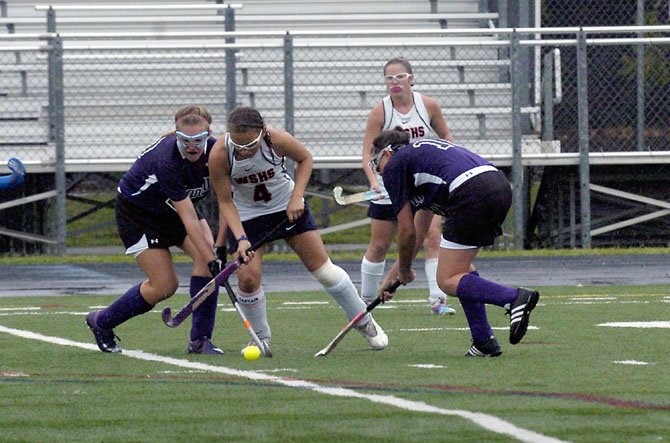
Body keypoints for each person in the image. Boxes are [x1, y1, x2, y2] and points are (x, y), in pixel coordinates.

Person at [209, 106, 387, 352]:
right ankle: (260, 337)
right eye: (239, 147)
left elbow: (305, 159)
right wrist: (240, 238)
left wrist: (297, 197)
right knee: (247, 278)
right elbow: (225, 201)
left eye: (250, 145)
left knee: (325, 272)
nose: (245, 152)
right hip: (248, 217)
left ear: (261, 133)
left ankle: (364, 320)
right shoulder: (219, 154)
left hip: (287, 207)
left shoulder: (276, 139)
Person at [85, 105, 250, 355]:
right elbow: (187, 217)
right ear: (176, 136)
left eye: (198, 140)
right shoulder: (167, 160)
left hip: (173, 209)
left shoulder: (218, 154)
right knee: (164, 286)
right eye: (185, 140)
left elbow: (227, 202)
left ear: (209, 135)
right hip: (139, 213)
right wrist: (210, 258)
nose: (192, 146)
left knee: (208, 262)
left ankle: (200, 340)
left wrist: (220, 246)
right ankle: (102, 321)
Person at [373, 127, 540, 357]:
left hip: (469, 191)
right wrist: (393, 279)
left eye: (376, 164)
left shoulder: (395, 165)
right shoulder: (421, 162)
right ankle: (483, 341)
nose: (379, 173)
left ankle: (513, 298)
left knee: (447, 280)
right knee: (461, 271)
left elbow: (406, 231)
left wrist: (404, 271)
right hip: (496, 185)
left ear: (387, 153)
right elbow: (417, 235)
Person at [360, 57, 457, 316]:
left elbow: (446, 135)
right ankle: (365, 302)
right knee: (380, 244)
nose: (395, 82)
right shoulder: (380, 111)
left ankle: (438, 299)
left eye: (400, 77)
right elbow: (369, 150)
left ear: (411, 79)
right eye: (389, 78)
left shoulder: (428, 106)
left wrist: (449, 157)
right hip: (389, 182)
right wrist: (373, 180)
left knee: (432, 236)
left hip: (422, 184)